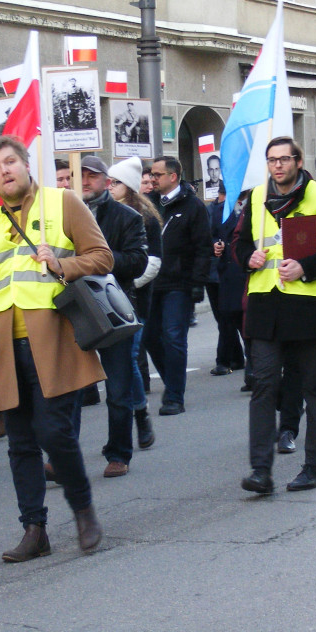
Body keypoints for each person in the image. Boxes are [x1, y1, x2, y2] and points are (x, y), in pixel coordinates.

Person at [0, 135, 113, 562]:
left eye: (9, 162)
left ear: (26, 164)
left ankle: (83, 510)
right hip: (5, 347)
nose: (4, 171)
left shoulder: (63, 203)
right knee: (21, 443)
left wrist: (61, 263)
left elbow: (102, 257)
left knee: (54, 434)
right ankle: (34, 529)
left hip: (56, 341)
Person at [233, 136, 316, 493]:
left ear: (298, 162)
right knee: (263, 386)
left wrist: (305, 267)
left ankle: (313, 466)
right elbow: (240, 243)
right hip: (265, 304)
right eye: (272, 160)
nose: (278, 166)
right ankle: (260, 471)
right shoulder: (256, 197)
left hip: (306, 305)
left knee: (313, 388)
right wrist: (246, 258)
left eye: (285, 159)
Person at [78, 155, 149, 477]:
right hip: (73, 308)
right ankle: (63, 455)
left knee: (118, 387)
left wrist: (98, 259)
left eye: (91, 176)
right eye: (79, 175)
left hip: (114, 307)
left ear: (106, 181)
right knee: (69, 387)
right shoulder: (60, 215)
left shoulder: (127, 217)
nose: (84, 181)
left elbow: (137, 261)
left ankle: (118, 453)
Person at [145, 156, 211, 415]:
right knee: (150, 337)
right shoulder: (148, 204)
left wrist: (197, 283)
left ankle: (174, 396)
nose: (153, 178)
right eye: (151, 174)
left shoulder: (193, 206)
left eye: (158, 174)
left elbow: (203, 247)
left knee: (174, 337)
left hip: (179, 283)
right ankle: (171, 377)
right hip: (151, 283)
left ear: (173, 176)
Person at [107, 156, 160, 447]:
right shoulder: (100, 214)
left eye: (115, 183)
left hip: (133, 299)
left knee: (128, 359)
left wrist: (120, 283)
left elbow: (152, 263)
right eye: (109, 182)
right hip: (102, 301)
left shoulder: (146, 218)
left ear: (127, 186)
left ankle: (140, 413)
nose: (110, 187)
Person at [207, 183, 247, 376]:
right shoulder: (219, 211)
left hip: (246, 270)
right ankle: (224, 360)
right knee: (226, 317)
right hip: (227, 272)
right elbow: (213, 234)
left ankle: (252, 368)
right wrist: (215, 245)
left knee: (246, 319)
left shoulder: (254, 207)